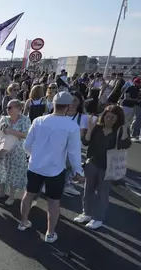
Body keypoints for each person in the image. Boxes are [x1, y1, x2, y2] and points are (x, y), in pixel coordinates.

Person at [18, 92, 84, 243]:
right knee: (54, 202)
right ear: (68, 106)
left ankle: (23, 222)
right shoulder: (72, 125)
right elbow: (74, 153)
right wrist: (78, 171)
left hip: (35, 166)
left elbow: (27, 145)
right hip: (56, 170)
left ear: (52, 104)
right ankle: (50, 233)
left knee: (28, 194)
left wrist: (33, 156)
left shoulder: (38, 120)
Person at [74, 105, 131, 230]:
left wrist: (125, 130)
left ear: (118, 119)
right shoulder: (97, 128)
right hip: (93, 163)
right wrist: (89, 129)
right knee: (88, 190)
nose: (109, 119)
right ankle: (86, 213)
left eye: (113, 117)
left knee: (102, 193)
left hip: (108, 166)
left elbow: (124, 145)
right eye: (107, 116)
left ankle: (98, 218)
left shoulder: (120, 130)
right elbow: (86, 142)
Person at [0, 99, 31, 205]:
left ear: (19, 108)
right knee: (2, 170)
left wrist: (10, 131)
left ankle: (12, 196)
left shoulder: (25, 119)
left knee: (13, 173)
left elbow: (26, 134)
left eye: (10, 107)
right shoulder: (4, 118)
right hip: (3, 148)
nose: (7, 110)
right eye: (7, 108)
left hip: (17, 151)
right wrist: (2, 130)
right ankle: (2, 192)